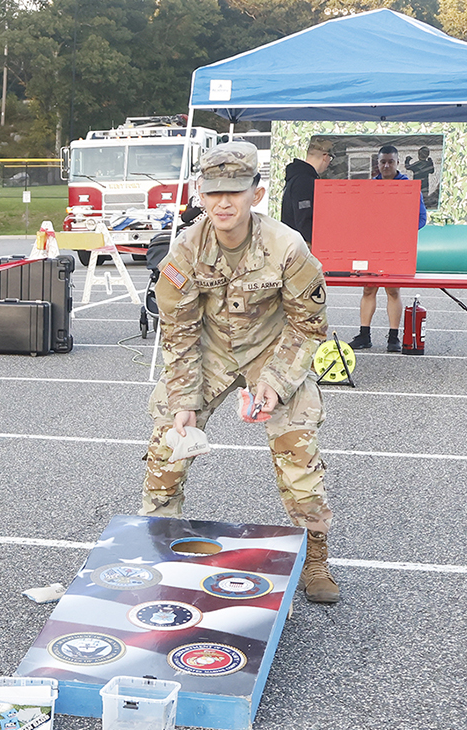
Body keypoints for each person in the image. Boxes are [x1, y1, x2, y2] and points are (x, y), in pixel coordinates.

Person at [146, 142, 339, 604]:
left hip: (273, 351)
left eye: (235, 191)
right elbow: (179, 332)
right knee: (166, 451)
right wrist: (183, 402)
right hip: (210, 352)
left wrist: (274, 383)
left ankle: (314, 560)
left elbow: (309, 325)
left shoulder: (287, 247)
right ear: (199, 194)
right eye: (213, 193)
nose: (224, 202)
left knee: (299, 462)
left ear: (257, 193)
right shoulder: (186, 251)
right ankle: (156, 546)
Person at [351, 144, 427, 351]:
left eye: (390, 162)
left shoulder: (408, 188)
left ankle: (393, 337)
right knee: (368, 289)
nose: (386, 165)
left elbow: (421, 219)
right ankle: (364, 334)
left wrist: (399, 232)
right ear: (378, 163)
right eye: (383, 162)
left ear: (397, 163)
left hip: (395, 246)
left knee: (393, 290)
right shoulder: (369, 187)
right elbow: (359, 217)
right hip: (370, 245)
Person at [281, 137, 333, 245]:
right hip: (303, 248)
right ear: (325, 157)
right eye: (330, 159)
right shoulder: (304, 181)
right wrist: (322, 242)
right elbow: (304, 221)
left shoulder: (296, 177)